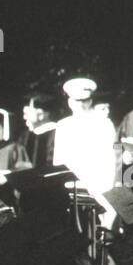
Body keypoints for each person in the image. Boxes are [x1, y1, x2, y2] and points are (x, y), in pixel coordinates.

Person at [52, 77, 118, 227]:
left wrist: (106, 192)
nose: (81, 105)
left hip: (100, 187)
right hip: (73, 188)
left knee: (102, 234)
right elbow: (59, 162)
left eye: (85, 101)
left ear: (90, 101)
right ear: (69, 102)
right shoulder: (63, 126)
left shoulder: (104, 123)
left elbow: (111, 160)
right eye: (76, 101)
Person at [21, 92, 59, 170]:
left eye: (27, 114)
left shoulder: (58, 133)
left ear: (42, 114)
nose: (24, 117)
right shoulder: (25, 136)